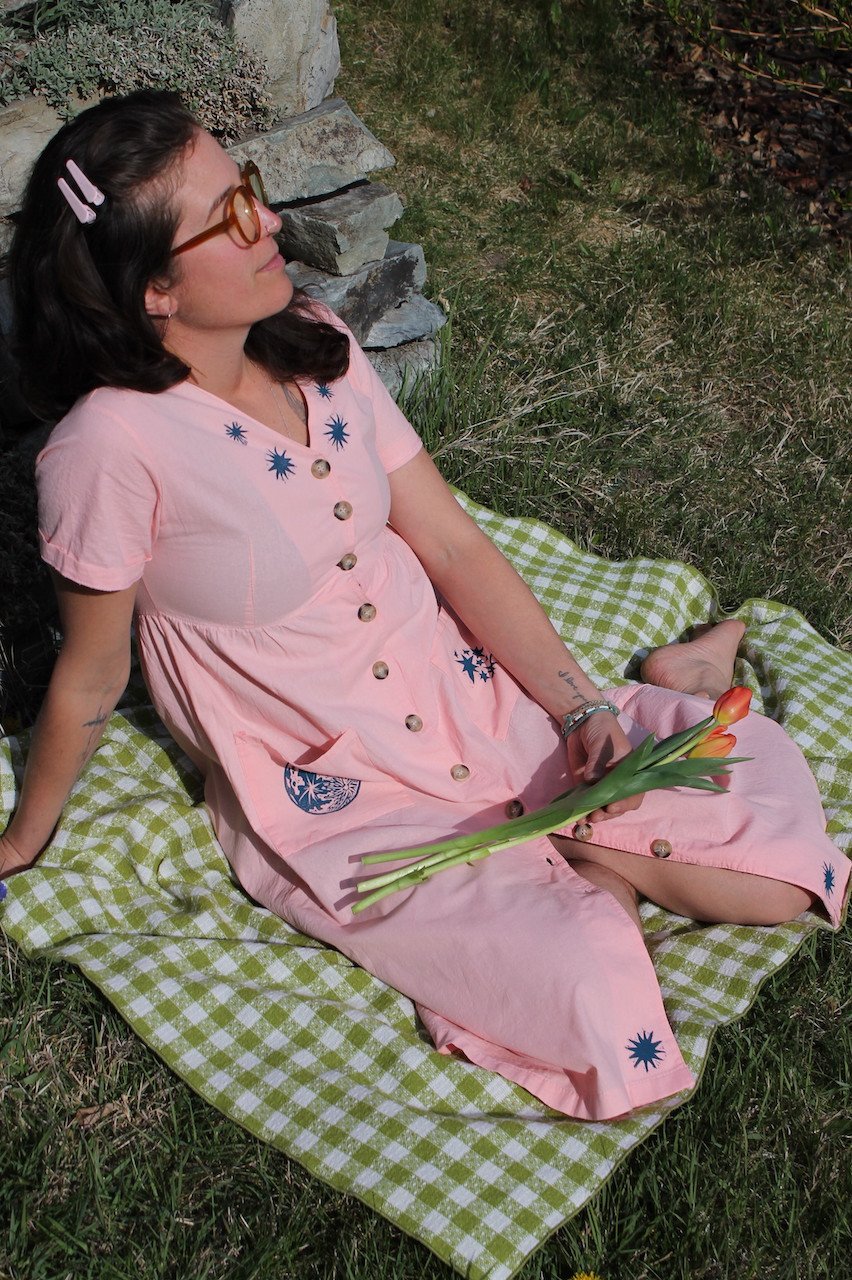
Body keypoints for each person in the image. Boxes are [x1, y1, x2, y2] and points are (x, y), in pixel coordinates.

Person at [1, 91, 846, 1121]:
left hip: (471, 704)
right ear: (153, 293)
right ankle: (586, 867)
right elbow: (94, 670)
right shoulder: (107, 448)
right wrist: (24, 837)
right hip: (351, 793)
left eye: (250, 191)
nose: (266, 222)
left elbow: (448, 540)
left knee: (776, 869)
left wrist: (579, 707)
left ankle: (668, 706)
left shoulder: (312, 339)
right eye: (225, 216)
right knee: (588, 983)